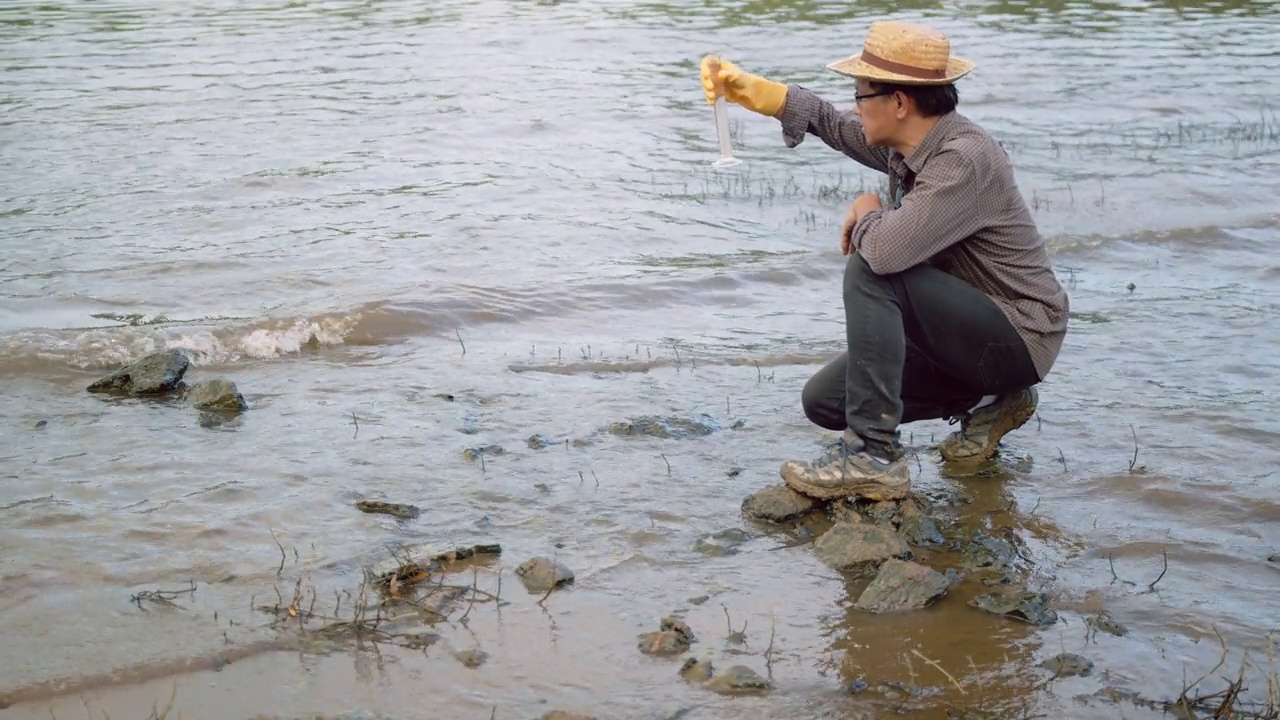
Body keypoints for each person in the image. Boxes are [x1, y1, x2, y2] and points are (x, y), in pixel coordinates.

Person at [699, 21, 1069, 502]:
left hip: (1018, 336)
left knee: (872, 265)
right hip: (967, 334)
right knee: (827, 400)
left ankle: (873, 456)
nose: (855, 106)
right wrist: (761, 94)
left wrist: (868, 210)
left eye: (861, 95)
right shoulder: (911, 143)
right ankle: (990, 402)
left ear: (899, 103)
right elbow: (838, 127)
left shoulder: (962, 160)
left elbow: (886, 251)